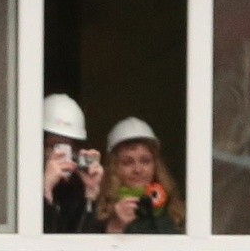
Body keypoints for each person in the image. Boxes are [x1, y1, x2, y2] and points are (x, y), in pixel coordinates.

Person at [92, 117, 182, 232]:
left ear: (155, 165)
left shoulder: (173, 208)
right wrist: (115, 226)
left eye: (145, 161)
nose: (138, 170)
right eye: (127, 162)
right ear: (114, 168)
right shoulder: (99, 210)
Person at [39, 92, 98, 231]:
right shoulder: (21, 187)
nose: (62, 154)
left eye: (68, 148)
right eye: (54, 146)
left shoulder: (77, 189)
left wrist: (91, 194)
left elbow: (85, 239)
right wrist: (45, 191)